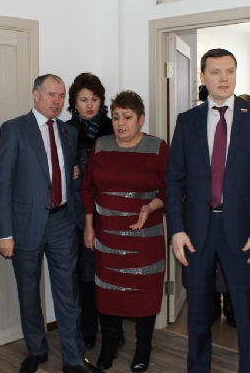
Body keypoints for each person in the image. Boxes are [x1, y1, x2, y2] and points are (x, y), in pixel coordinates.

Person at [166, 48, 250, 373]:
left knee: (248, 316)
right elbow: (174, 180)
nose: (224, 78)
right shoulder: (187, 121)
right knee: (198, 315)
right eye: (215, 72)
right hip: (196, 232)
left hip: (244, 233)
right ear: (203, 77)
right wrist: (176, 229)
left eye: (230, 71)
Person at [0, 74, 102, 373]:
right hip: (25, 225)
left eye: (61, 95)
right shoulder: (14, 129)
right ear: (35, 95)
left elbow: (71, 177)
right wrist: (5, 233)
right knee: (29, 292)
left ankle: (74, 358)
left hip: (62, 222)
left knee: (69, 294)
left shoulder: (68, 132)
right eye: (51, 94)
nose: (57, 101)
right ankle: (36, 349)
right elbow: (2, 184)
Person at [82, 90, 168, 372]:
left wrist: (151, 205)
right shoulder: (101, 145)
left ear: (141, 119)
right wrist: (89, 227)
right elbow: (87, 189)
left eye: (127, 117)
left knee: (144, 294)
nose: (120, 123)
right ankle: (109, 344)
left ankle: (143, 346)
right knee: (108, 292)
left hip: (145, 241)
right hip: (108, 237)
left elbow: (169, 188)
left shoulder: (157, 147)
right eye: (116, 117)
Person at [65, 73, 115, 350]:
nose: (89, 105)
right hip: (78, 213)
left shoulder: (112, 127)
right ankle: (88, 330)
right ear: (74, 102)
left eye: (94, 99)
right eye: (83, 99)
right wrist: (68, 173)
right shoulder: (66, 130)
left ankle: (113, 330)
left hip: (111, 210)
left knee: (111, 273)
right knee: (85, 275)